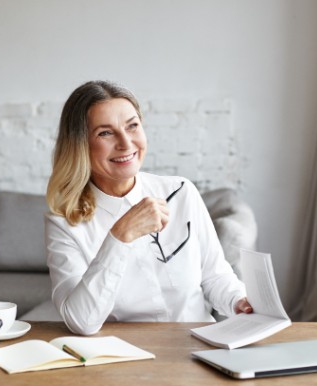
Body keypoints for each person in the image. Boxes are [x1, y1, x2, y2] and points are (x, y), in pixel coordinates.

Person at [45, 80, 252, 335]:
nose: (125, 143)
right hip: (129, 358)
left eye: (132, 126)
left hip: (201, 345)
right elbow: (81, 321)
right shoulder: (65, 222)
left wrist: (240, 302)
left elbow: (215, 276)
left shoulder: (181, 192)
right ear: (80, 145)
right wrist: (119, 236)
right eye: (105, 133)